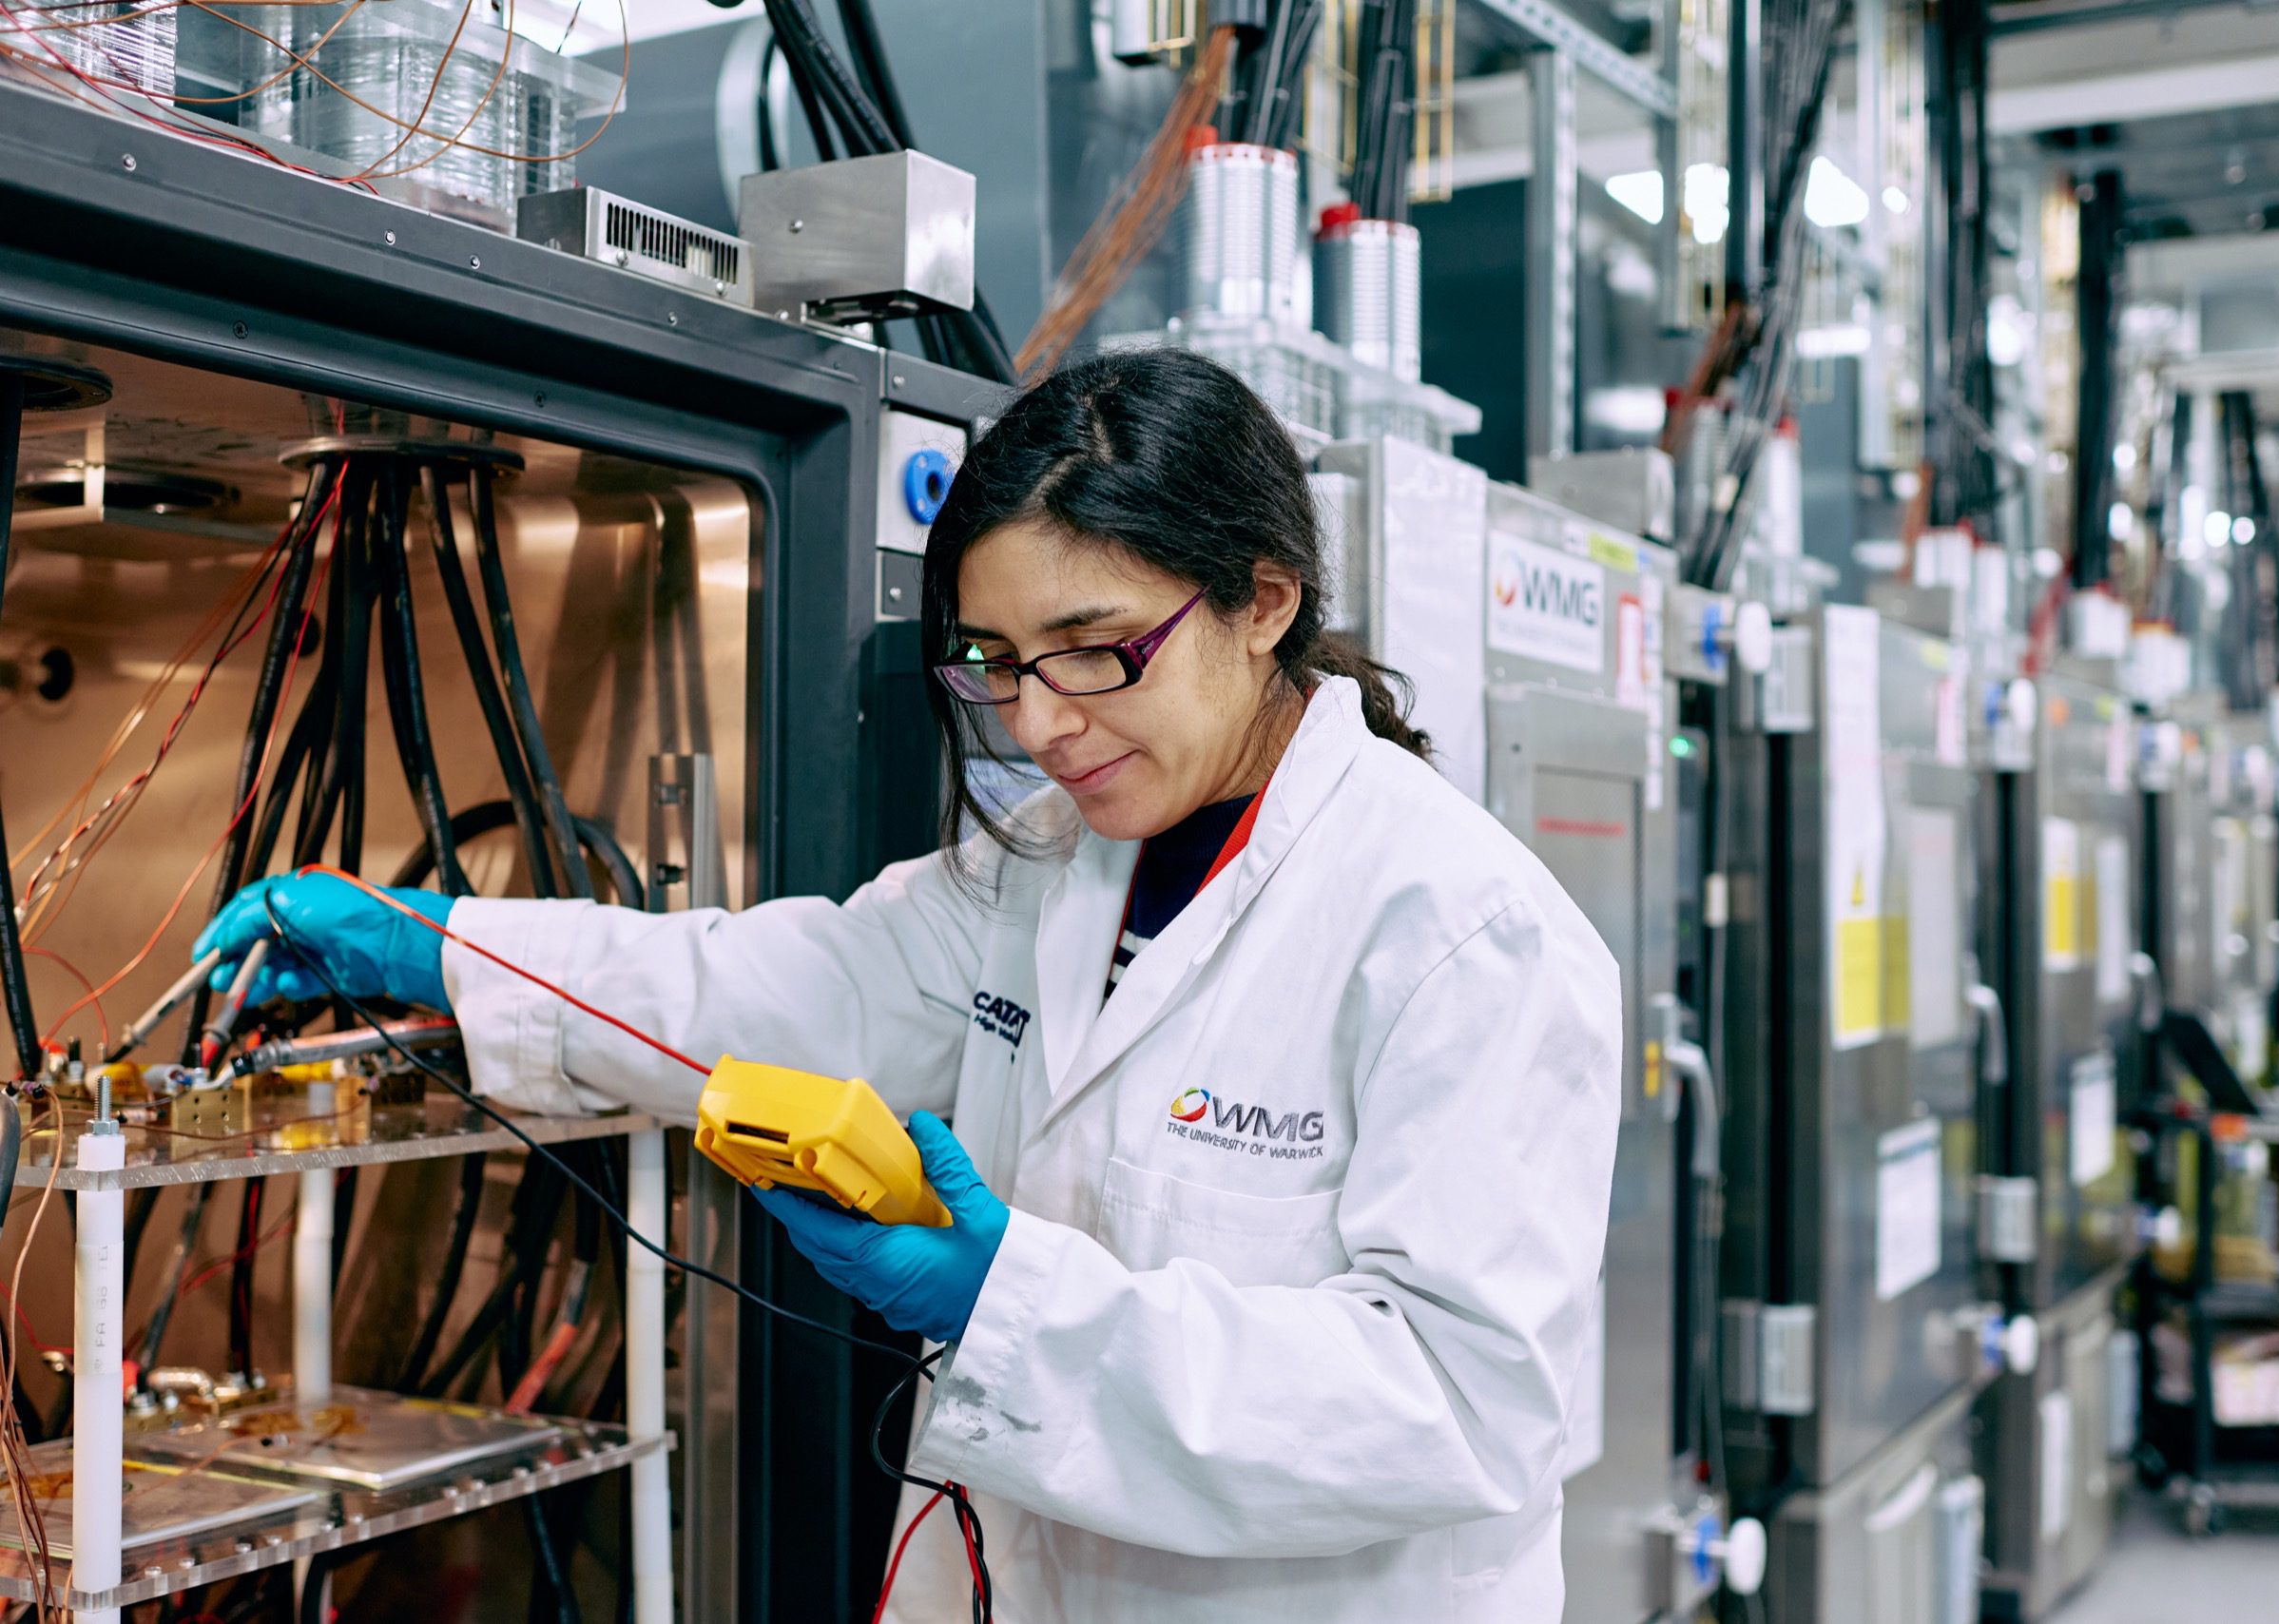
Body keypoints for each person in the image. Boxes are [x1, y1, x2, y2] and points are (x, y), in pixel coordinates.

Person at [196, 348, 1624, 1623]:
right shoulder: (1049, 871)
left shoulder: (1462, 934)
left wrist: (1007, 1297)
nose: (1043, 722)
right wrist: (437, 944)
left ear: (1262, 601)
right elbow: (768, 989)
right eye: (998, 664)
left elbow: (1459, 1402)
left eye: (1094, 650)